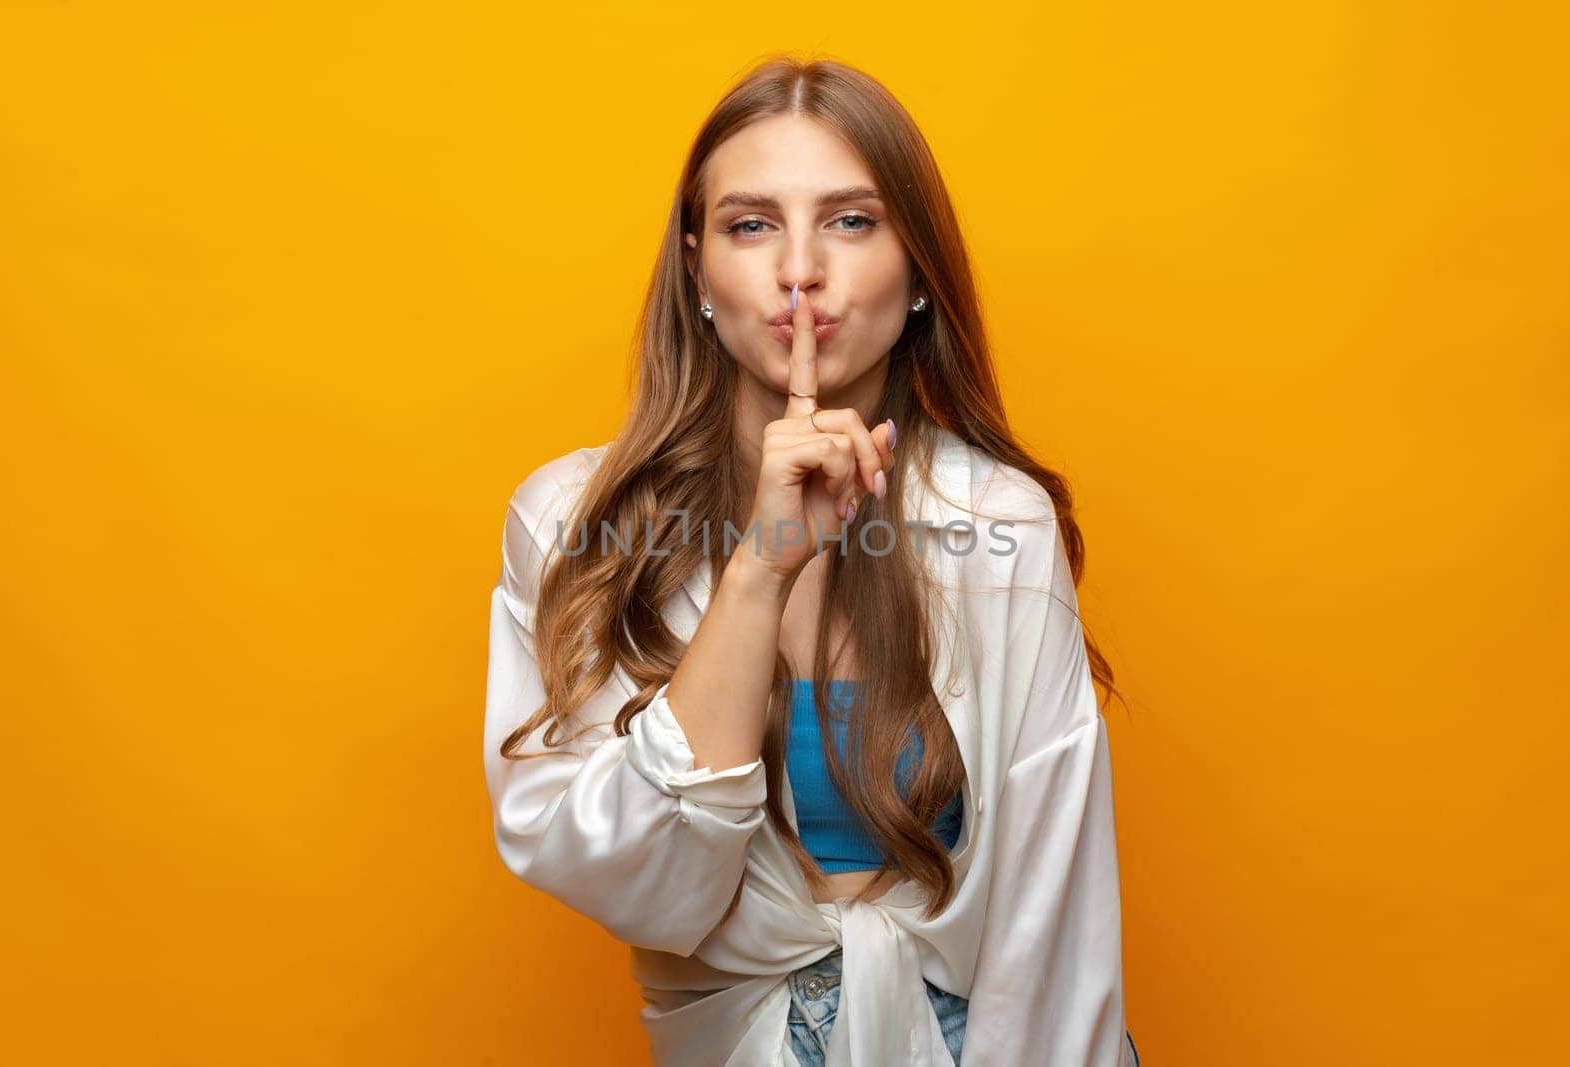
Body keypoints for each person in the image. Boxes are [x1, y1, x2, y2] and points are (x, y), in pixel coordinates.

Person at [482, 56, 1140, 1066]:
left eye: (850, 220)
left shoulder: (997, 523)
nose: (800, 269)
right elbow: (634, 881)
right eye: (751, 224)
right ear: (696, 270)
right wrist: (762, 563)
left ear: (918, 272)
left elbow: (1049, 919)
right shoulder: (577, 520)